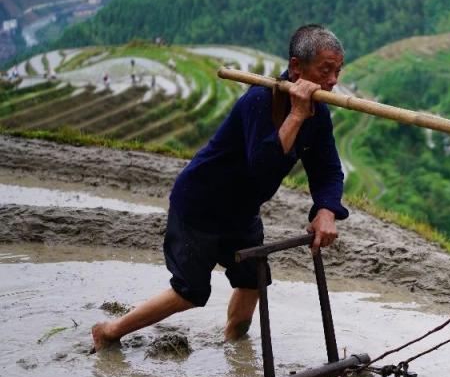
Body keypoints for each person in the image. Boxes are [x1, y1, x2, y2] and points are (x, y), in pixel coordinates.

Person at [92, 24, 349, 352]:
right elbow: (262, 166)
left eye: (338, 71)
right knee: (190, 292)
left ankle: (233, 348)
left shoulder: (318, 113)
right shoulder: (259, 101)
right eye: (325, 70)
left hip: (241, 210)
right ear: (297, 67)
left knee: (252, 279)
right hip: (201, 203)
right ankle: (110, 331)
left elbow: (327, 169)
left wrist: (326, 211)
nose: (333, 81)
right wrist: (297, 114)